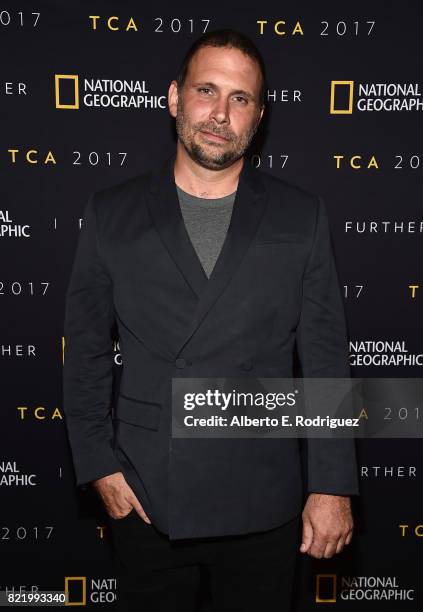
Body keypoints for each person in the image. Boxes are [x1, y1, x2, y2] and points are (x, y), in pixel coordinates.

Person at [63, 28, 359, 611]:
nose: (220, 114)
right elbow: (86, 352)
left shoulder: (302, 216)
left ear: (258, 115)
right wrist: (98, 466)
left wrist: (331, 484)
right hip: (147, 496)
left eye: (240, 98)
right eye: (206, 90)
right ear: (174, 98)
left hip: (264, 500)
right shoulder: (112, 212)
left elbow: (325, 359)